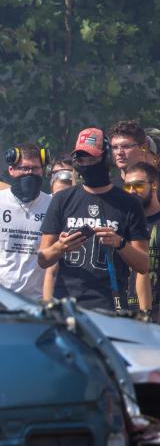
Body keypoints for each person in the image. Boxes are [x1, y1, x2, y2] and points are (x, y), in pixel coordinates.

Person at [38, 128, 149, 311]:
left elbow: (143, 264)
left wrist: (120, 243)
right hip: (67, 306)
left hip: (110, 306)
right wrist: (60, 247)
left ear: (105, 158)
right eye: (81, 159)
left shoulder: (129, 203)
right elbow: (43, 259)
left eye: (92, 158)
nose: (86, 164)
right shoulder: (62, 200)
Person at [0, 143, 52, 298]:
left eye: (35, 169)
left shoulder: (52, 206)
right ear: (11, 170)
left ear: (42, 171)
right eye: (24, 169)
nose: (29, 173)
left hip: (37, 301)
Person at [121, 161, 159, 317]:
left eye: (138, 185)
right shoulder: (121, 224)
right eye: (127, 186)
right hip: (127, 314)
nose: (131, 191)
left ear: (154, 185)